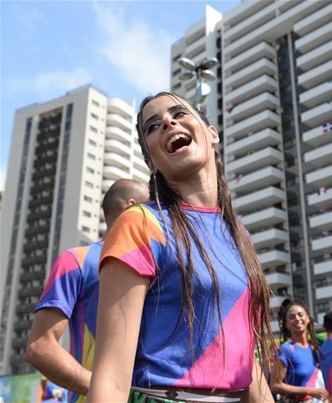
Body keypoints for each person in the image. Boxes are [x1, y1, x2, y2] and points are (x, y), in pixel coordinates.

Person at [87, 92, 276, 402]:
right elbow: (111, 377)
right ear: (150, 163)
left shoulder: (239, 234)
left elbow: (243, 357)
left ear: (212, 133)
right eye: (152, 126)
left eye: (178, 113)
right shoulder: (140, 223)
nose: (168, 122)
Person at [26, 179, 148, 403]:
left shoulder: (158, 267)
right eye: (150, 209)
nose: (157, 220)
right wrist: (109, 391)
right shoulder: (77, 260)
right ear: (132, 207)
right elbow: (40, 346)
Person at [271, 298, 329, 403]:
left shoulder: (313, 348)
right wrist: (309, 391)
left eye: (300, 315)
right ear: (287, 324)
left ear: (308, 319)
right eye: (292, 317)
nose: (297, 319)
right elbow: (275, 386)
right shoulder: (286, 349)